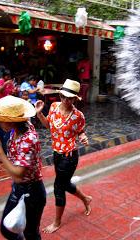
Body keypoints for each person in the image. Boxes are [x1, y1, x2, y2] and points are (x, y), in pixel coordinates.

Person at [0, 95, 46, 239]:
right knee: (7, 229)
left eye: (1, 119)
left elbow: (18, 175)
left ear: (12, 121)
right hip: (20, 189)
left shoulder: (28, 138)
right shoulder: (18, 128)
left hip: (32, 192)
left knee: (31, 233)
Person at [35, 79, 92, 234]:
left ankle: (57, 222)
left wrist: (83, 137)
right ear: (60, 95)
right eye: (63, 97)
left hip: (70, 156)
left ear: (75, 99)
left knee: (58, 187)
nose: (66, 100)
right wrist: (39, 113)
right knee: (65, 184)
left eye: (70, 98)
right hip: (57, 154)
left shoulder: (78, 116)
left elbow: (81, 131)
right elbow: (49, 126)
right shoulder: (53, 107)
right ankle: (86, 199)